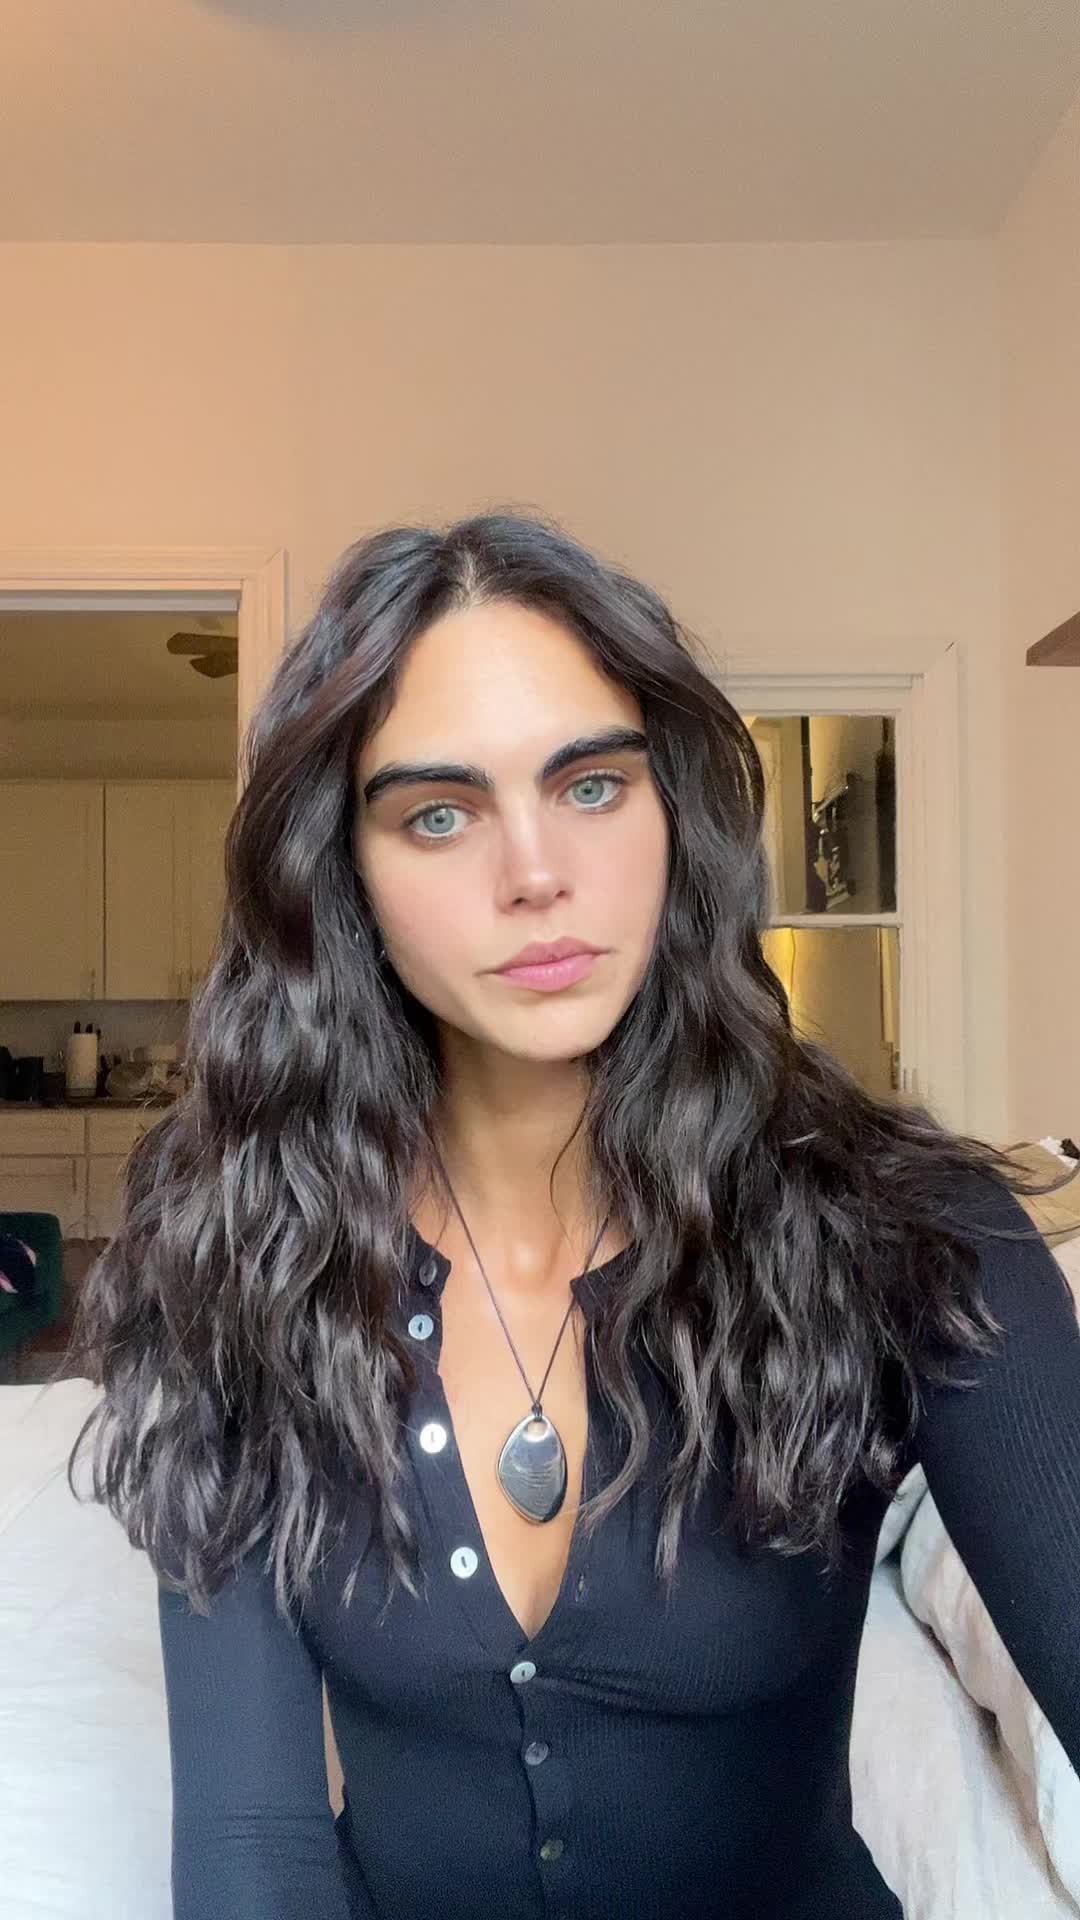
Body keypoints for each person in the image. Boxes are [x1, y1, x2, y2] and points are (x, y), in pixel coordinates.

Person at [62, 510, 1079, 1920]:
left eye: (592, 785)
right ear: (340, 876)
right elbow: (252, 1846)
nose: (536, 872)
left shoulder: (912, 1233)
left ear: (675, 816)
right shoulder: (242, 1259)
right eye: (438, 813)